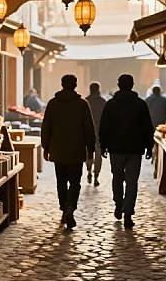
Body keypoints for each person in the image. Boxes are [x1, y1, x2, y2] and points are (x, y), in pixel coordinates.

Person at [99, 74, 154, 229]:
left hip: (116, 149)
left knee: (117, 178)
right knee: (132, 182)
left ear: (118, 85)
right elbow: (147, 128)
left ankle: (118, 203)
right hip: (135, 150)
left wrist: (103, 146)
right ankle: (128, 212)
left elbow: (104, 127)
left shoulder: (110, 105)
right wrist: (149, 147)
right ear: (132, 85)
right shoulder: (140, 105)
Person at [41, 74, 95, 229]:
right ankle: (70, 206)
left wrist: (46, 147)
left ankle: (64, 207)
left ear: (62, 84)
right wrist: (90, 149)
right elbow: (88, 129)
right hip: (76, 151)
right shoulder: (82, 104)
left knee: (61, 182)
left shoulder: (52, 104)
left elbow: (46, 127)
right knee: (75, 182)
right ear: (75, 85)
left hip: (58, 151)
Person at [85, 82, 107, 187]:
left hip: (87, 132)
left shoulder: (85, 101)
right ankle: (96, 177)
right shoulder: (103, 102)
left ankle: (89, 171)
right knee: (98, 155)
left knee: (88, 153)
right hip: (100, 132)